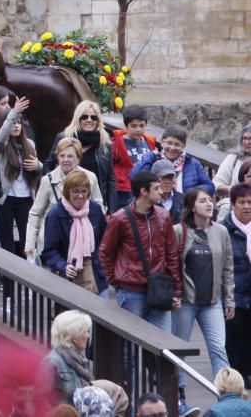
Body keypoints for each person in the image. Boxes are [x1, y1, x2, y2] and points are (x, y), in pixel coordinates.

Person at [172, 186, 235, 412]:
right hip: (186, 301)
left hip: (212, 301)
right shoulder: (179, 231)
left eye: (211, 200)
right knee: (179, 350)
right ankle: (178, 396)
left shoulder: (220, 231)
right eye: (203, 201)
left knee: (219, 348)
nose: (209, 204)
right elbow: (171, 265)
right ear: (191, 207)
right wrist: (175, 293)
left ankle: (227, 397)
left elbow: (228, 268)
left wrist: (229, 299)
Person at [99, 170, 183, 332]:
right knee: (128, 345)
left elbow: (171, 253)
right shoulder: (120, 218)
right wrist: (116, 281)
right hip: (131, 289)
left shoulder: (163, 216)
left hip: (158, 287)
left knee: (162, 344)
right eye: (156, 188)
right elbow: (105, 252)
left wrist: (176, 289)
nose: (161, 191)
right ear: (144, 191)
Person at [26, 137, 104, 261]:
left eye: (70, 156)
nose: (65, 160)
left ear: (78, 158)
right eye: (62, 156)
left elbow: (99, 207)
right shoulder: (48, 180)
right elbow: (35, 213)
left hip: (83, 241)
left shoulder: (90, 178)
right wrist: (30, 244)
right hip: (53, 242)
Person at [41, 169, 108, 293]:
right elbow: (49, 251)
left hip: (95, 274)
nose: (80, 196)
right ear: (67, 192)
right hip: (68, 276)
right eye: (76, 191)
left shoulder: (95, 210)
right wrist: (63, 266)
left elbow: (105, 241)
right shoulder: (56, 214)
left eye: (84, 191)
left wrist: (102, 264)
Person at [47, 100, 116, 211]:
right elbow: (48, 166)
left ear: (98, 121)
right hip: (65, 201)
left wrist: (112, 211)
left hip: (94, 202)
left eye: (93, 117)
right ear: (78, 118)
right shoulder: (64, 138)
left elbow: (110, 179)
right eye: (84, 117)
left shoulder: (105, 143)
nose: (89, 120)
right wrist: (53, 191)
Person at [0, 96, 41, 257]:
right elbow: (0, 137)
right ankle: (5, 280)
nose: (16, 126)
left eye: (19, 123)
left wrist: (38, 166)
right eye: (13, 123)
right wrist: (14, 113)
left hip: (26, 199)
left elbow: (39, 167)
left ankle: (27, 278)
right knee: (6, 240)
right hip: (6, 199)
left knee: (26, 241)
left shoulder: (30, 144)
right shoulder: (0, 145)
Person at [222, 183, 251, 389]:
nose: (247, 206)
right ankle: (235, 382)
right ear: (233, 204)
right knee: (234, 340)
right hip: (234, 294)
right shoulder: (224, 229)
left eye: (250, 202)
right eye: (242, 202)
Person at [133, 125, 215, 197]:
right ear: (162, 142)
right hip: (157, 206)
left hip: (185, 207)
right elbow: (134, 177)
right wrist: (150, 156)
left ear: (183, 146)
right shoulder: (153, 160)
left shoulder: (192, 163)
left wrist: (191, 195)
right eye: (169, 143)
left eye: (177, 144)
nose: (172, 148)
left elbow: (209, 186)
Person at [111, 105, 157, 212]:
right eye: (134, 126)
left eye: (142, 126)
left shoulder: (149, 142)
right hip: (123, 191)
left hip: (145, 189)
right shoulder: (116, 144)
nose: (138, 130)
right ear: (126, 126)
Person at [45, 310, 96, 404]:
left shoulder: (81, 360)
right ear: (74, 335)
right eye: (85, 332)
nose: (88, 336)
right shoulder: (53, 362)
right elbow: (40, 399)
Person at [215, 123, 251, 201]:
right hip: (235, 206)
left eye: (250, 138)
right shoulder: (233, 159)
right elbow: (216, 184)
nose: (247, 142)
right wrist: (232, 189)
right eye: (244, 138)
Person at [151, 158, 185, 224]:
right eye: (163, 178)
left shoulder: (184, 199)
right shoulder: (147, 201)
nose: (167, 182)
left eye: (170, 178)